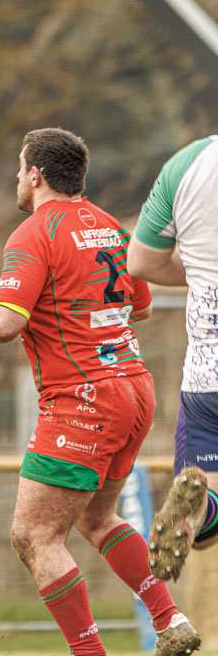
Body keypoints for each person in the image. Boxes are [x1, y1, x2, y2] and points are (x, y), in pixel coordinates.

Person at [0, 128, 199, 656]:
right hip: (134, 389)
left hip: (82, 398)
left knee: (35, 535)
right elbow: (140, 305)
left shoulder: (33, 233)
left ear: (36, 175)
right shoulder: (112, 228)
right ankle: (170, 621)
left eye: (19, 168)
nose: (17, 178)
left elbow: (4, 325)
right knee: (97, 518)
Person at [127, 134, 218, 582]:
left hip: (207, 377)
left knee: (202, 524)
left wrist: (201, 269)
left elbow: (140, 261)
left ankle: (203, 509)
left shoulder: (187, 163)